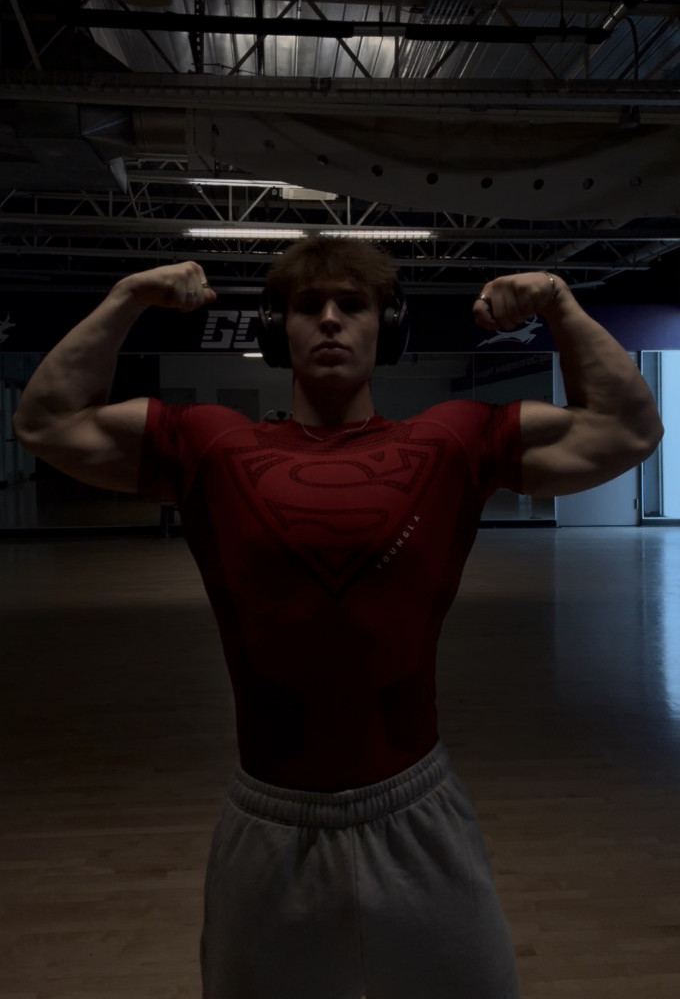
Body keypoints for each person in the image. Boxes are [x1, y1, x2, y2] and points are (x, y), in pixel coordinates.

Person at [13, 235, 663, 999]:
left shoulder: (449, 441)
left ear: (387, 327)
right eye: (306, 307)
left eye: (352, 305)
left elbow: (629, 428)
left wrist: (557, 302)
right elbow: (48, 421)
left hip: (419, 816)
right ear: (274, 329)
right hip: (270, 829)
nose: (329, 320)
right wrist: (128, 296)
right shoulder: (212, 445)